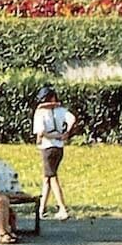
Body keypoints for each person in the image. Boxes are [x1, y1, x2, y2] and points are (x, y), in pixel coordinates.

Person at [32, 85, 77, 221]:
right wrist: (66, 133)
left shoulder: (40, 113)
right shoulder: (61, 110)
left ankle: (62, 208)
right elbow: (72, 119)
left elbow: (40, 132)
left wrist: (43, 139)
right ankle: (41, 209)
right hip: (59, 147)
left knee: (52, 177)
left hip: (48, 147)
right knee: (47, 178)